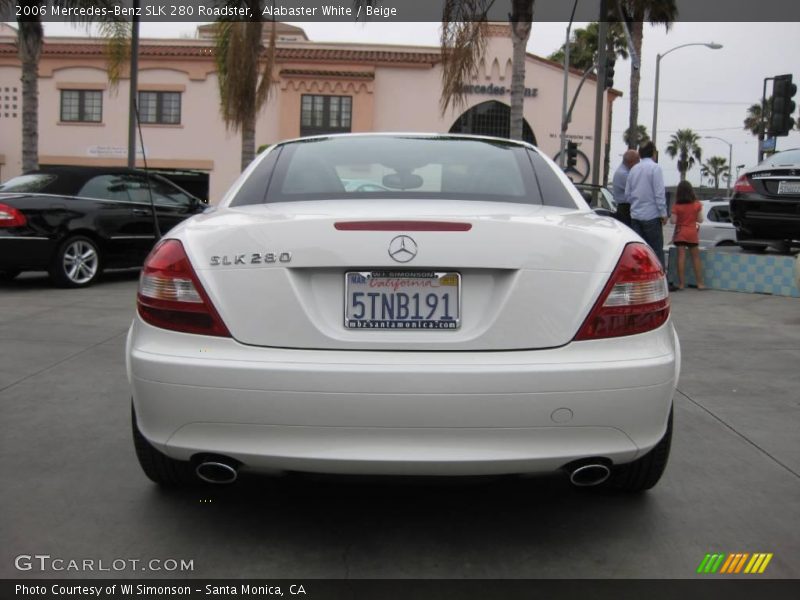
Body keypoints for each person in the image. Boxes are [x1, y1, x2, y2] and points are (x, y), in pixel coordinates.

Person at [625, 141, 668, 268]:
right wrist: (663, 213)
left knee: (639, 251)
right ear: (653, 153)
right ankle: (659, 277)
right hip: (652, 216)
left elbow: (627, 195)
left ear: (640, 154)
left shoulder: (633, 169)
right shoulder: (655, 168)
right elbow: (659, 194)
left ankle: (639, 278)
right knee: (655, 250)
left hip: (636, 216)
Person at [670, 181, 706, 290]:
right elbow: (700, 220)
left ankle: (681, 284)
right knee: (695, 257)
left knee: (681, 257)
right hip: (692, 232)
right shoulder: (697, 205)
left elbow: (673, 221)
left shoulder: (676, 206)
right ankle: (700, 283)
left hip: (680, 232)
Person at [611, 149, 639, 226]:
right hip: (625, 208)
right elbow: (636, 189)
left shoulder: (624, 171)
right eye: (637, 162)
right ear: (631, 162)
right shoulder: (624, 174)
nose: (638, 165)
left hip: (625, 208)